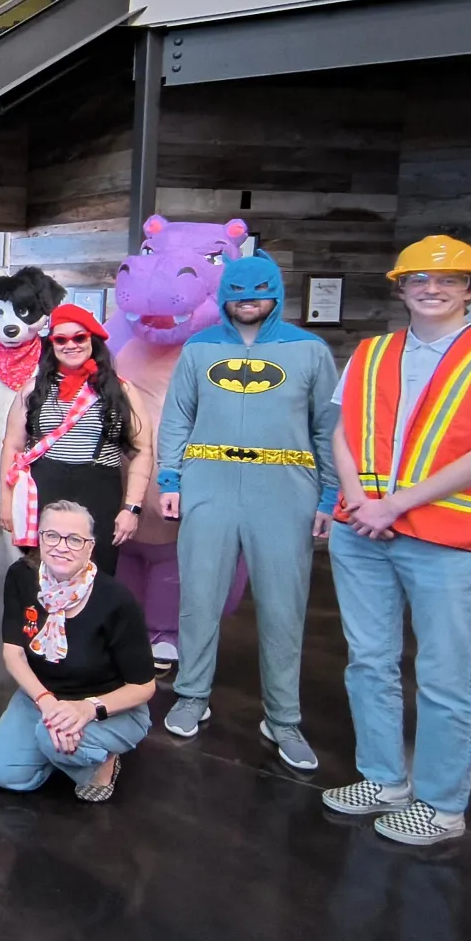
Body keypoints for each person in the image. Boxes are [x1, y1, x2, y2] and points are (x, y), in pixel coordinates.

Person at [322, 236, 471, 846]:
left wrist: (393, 504)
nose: (432, 288)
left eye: (448, 280)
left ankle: (441, 807)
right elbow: (342, 434)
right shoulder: (371, 352)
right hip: (361, 531)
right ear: (401, 288)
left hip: (444, 539)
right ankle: (383, 779)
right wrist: (359, 501)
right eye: (418, 279)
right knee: (369, 661)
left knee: (445, 675)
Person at [156, 253, 340, 770]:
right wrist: (170, 478)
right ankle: (191, 694)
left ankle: (283, 718)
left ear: (275, 293)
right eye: (237, 294)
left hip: (285, 489)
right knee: (198, 596)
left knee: (284, 606)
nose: (247, 303)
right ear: (224, 297)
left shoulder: (310, 350)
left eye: (259, 293)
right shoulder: (199, 348)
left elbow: (328, 427)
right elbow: (177, 417)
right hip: (208, 481)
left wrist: (330, 495)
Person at [0, 500, 158, 802]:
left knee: (47, 736)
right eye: (52, 535)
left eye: (75, 540)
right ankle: (62, 749)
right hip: (42, 697)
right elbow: (14, 653)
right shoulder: (21, 577)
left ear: (90, 548)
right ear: (40, 538)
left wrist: (87, 710)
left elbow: (144, 687)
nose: (61, 547)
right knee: (2, 771)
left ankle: (102, 761)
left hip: (106, 706)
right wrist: (47, 702)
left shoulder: (116, 600)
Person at [0, 304, 150, 581]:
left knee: (96, 575)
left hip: (99, 488)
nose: (70, 345)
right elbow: (12, 446)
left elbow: (142, 451)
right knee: (40, 573)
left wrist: (131, 508)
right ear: (52, 344)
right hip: (46, 486)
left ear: (93, 340)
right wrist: (7, 503)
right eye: (61, 339)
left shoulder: (121, 390)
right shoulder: (33, 389)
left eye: (79, 337)